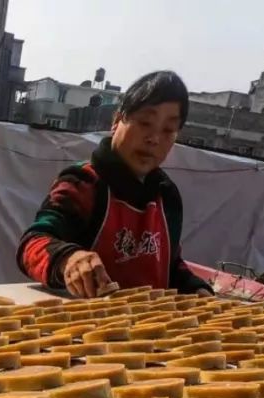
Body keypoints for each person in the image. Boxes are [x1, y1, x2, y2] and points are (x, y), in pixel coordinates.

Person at [17, 71, 212, 298]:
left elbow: (171, 266)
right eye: (145, 123)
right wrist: (68, 259)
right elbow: (32, 244)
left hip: (148, 329)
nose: (154, 139)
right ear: (117, 121)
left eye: (168, 130)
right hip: (85, 327)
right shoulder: (83, 183)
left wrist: (197, 288)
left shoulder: (166, 196)